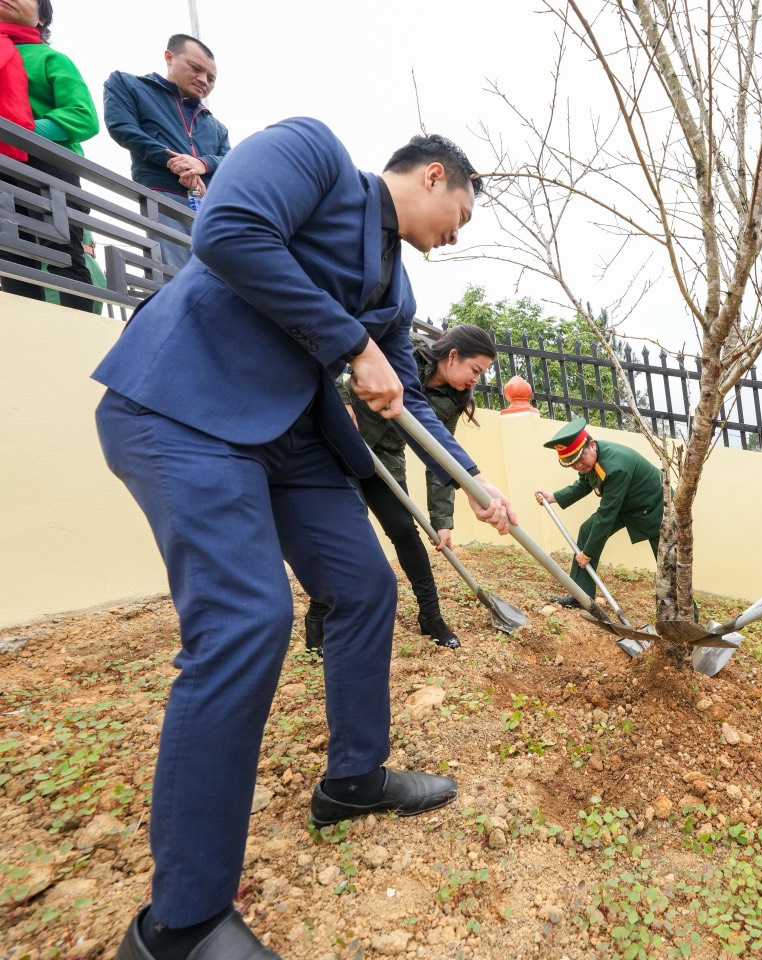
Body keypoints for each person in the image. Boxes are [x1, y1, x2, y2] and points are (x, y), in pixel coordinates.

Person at [94, 118, 515, 960]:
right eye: (461, 215)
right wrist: (351, 342)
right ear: (434, 176)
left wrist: (474, 480)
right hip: (183, 409)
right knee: (248, 621)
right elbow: (229, 231)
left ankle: (354, 781)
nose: (455, 236)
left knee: (365, 588)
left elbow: (413, 402)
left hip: (289, 440)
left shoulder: (397, 291)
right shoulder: (313, 154)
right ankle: (180, 925)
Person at [305, 323, 498, 653]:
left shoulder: (453, 400)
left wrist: (442, 521)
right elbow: (344, 358)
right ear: (453, 356)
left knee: (404, 532)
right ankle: (317, 621)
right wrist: (342, 400)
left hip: (385, 458)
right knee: (348, 529)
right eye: (475, 370)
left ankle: (431, 616)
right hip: (339, 445)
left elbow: (440, 455)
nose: (475, 380)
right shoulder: (403, 351)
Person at [0, 0, 99, 311]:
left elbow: (83, 116)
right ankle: (31, 344)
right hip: (4, 168)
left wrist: (20, 132)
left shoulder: (50, 58)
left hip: (50, 167)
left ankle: (79, 338)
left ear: (42, 18)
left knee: (65, 255)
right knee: (12, 257)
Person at [103, 33, 230, 268]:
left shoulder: (217, 127)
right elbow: (123, 129)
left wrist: (202, 163)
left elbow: (230, 161)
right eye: (196, 68)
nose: (204, 80)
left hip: (212, 212)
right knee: (173, 277)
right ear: (169, 57)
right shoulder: (127, 84)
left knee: (218, 284)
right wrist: (173, 160)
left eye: (211, 78)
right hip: (162, 197)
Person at [534, 417, 663, 609]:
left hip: (655, 507)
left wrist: (587, 554)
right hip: (627, 504)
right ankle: (581, 595)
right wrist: (554, 497)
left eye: (580, 459)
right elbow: (584, 483)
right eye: (572, 463)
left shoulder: (615, 466)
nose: (578, 466)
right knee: (588, 530)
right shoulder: (592, 460)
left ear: (591, 445)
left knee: (668, 561)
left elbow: (606, 515)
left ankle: (685, 618)